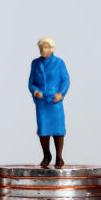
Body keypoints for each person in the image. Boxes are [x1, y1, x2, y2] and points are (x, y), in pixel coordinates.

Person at [28, 37, 70, 168]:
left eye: (46, 47)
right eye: (41, 47)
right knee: (43, 130)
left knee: (58, 130)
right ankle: (47, 155)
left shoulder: (59, 63)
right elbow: (31, 82)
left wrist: (61, 94)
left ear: (51, 49)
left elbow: (66, 80)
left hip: (55, 102)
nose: (43, 49)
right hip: (42, 102)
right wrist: (35, 91)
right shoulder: (35, 63)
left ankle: (59, 157)